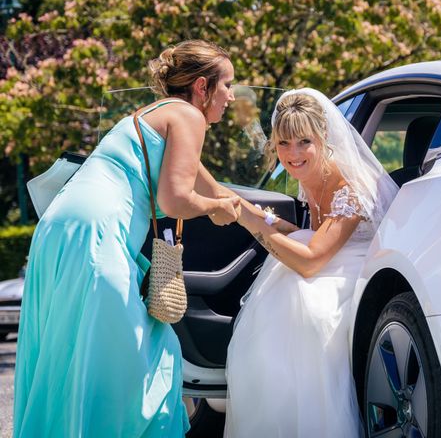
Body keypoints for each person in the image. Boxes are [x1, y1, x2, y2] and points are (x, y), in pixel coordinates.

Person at [14, 39, 240, 437]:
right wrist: (212, 210)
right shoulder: (188, 115)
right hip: (96, 234)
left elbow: (215, 187)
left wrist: (264, 220)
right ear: (202, 87)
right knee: (133, 356)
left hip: (60, 227)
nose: (231, 96)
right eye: (227, 85)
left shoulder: (153, 114)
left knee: (71, 351)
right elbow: (177, 198)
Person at [222, 88, 399, 437]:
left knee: (303, 300)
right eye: (284, 143)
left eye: (305, 141)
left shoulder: (351, 187)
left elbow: (311, 262)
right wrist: (259, 214)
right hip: (332, 260)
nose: (294, 154)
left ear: (324, 138)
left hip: (364, 273)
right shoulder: (311, 177)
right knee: (287, 279)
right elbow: (312, 235)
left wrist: (251, 223)